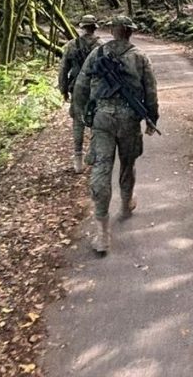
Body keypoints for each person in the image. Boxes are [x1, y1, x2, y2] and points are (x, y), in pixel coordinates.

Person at [71, 15, 159, 254]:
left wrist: (82, 115)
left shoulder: (96, 55)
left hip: (102, 119)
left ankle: (102, 233)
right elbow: (151, 92)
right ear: (129, 32)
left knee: (101, 168)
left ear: (112, 31)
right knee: (128, 164)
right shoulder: (140, 57)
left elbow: (80, 87)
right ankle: (126, 203)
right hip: (129, 120)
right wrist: (152, 119)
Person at [58, 15, 102, 173]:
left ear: (82, 27)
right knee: (97, 121)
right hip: (97, 88)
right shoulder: (102, 46)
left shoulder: (71, 45)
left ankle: (78, 160)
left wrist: (63, 89)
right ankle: (93, 153)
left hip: (77, 87)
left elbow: (63, 68)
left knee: (78, 122)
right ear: (95, 27)